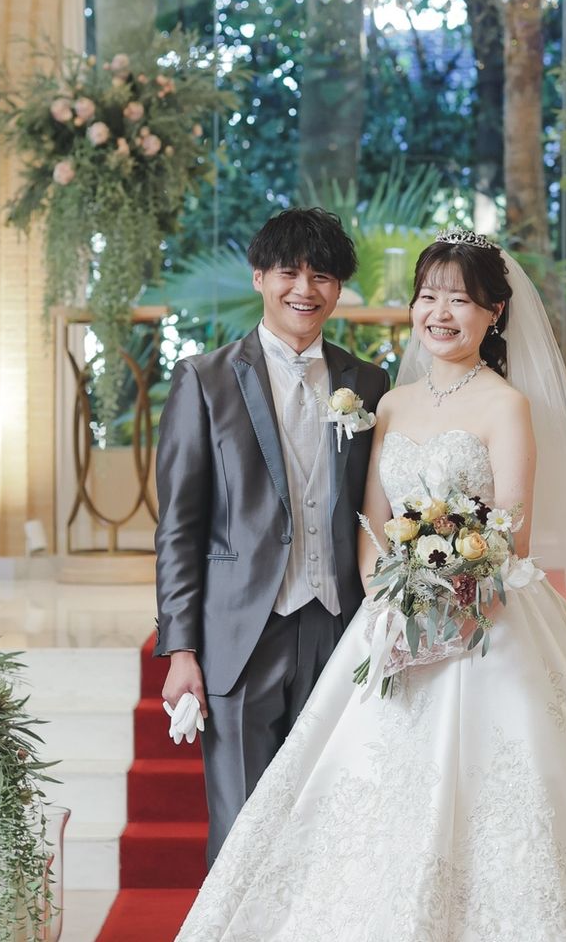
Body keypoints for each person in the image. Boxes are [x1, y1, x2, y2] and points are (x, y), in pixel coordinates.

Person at [173, 230, 566, 941]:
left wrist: (454, 603)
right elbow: (371, 524)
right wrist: (392, 603)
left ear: (494, 312)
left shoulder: (506, 406)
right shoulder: (389, 402)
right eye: (429, 296)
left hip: (486, 623)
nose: (441, 313)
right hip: (391, 624)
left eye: (460, 300)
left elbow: (512, 534)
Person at [154, 207, 391, 864]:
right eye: (289, 272)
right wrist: (180, 650)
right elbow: (178, 527)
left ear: (338, 288)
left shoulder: (368, 383)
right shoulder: (203, 380)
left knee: (330, 822)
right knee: (242, 829)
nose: (305, 290)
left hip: (337, 627)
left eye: (322, 276)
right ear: (259, 277)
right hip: (239, 636)